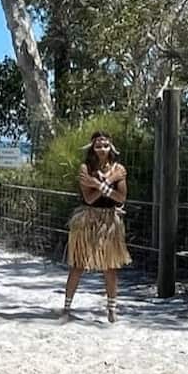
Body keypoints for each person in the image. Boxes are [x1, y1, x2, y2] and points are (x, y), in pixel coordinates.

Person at [62, 131, 131, 323]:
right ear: (92, 147)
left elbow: (121, 198)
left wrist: (100, 183)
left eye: (105, 145)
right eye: (98, 146)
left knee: (110, 266)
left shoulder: (119, 169)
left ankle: (111, 309)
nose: (102, 149)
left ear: (111, 148)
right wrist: (109, 182)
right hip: (88, 219)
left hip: (109, 221)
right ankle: (66, 306)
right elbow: (89, 198)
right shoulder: (86, 168)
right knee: (78, 264)